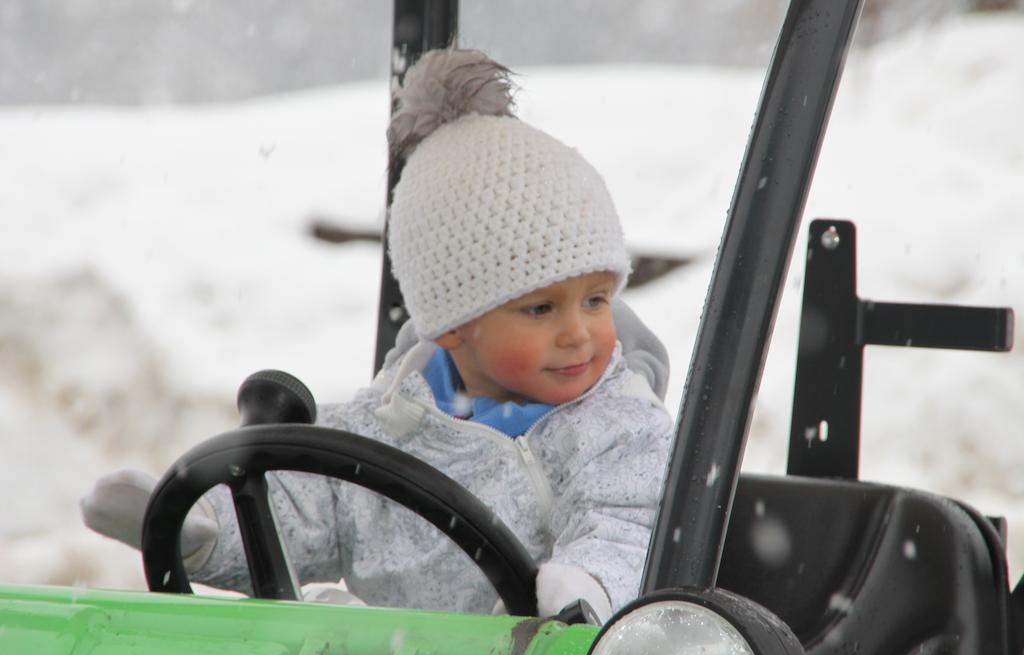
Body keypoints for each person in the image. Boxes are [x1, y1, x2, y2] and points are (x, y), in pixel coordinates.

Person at [81, 48, 673, 623]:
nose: (579, 333)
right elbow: (299, 509)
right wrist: (197, 530)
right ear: (455, 324)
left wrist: (589, 589)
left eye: (596, 299)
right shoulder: (387, 427)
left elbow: (629, 526)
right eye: (541, 309)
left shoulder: (619, 429)